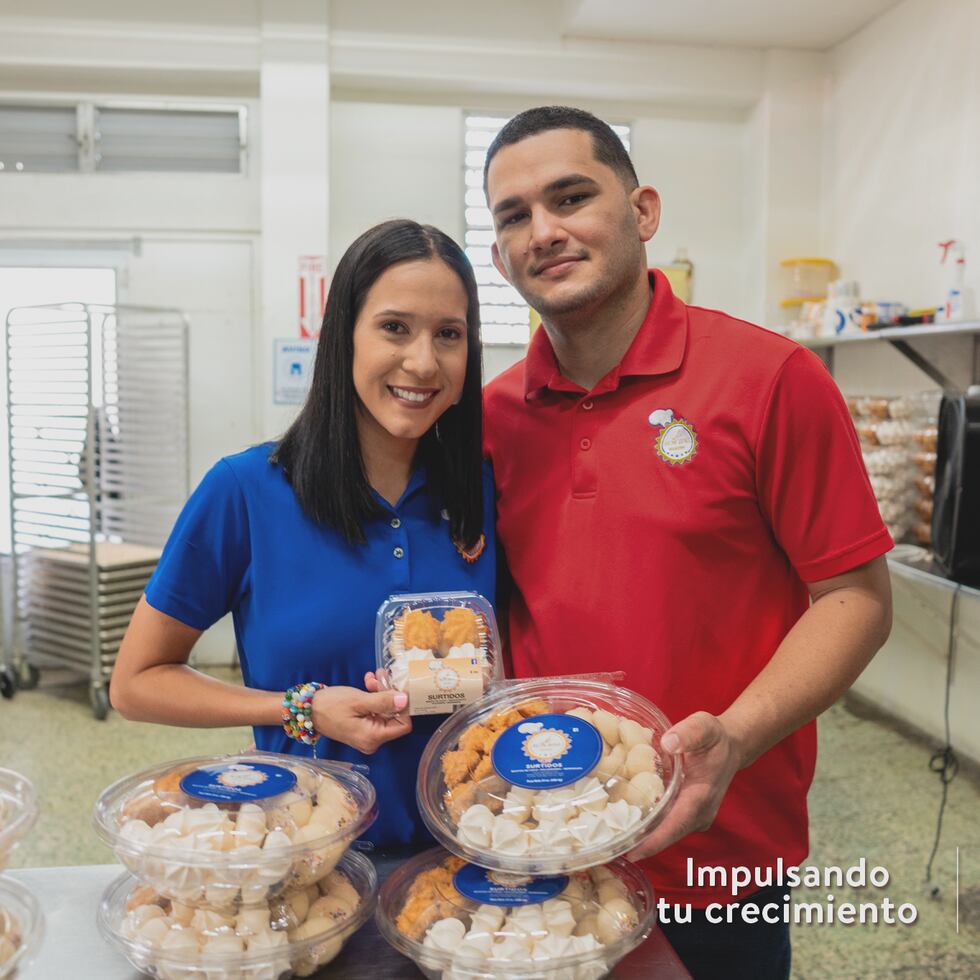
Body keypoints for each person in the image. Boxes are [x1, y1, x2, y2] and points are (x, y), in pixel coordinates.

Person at [481, 106, 893, 979]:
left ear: (643, 212)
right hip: (544, 840)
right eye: (514, 216)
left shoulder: (771, 380)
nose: (543, 231)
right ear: (498, 254)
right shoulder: (491, 418)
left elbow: (855, 598)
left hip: (720, 850)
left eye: (570, 197)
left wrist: (736, 738)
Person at [110, 219, 496, 847]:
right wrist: (299, 708)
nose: (423, 362)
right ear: (342, 334)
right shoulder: (245, 492)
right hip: (310, 856)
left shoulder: (483, 490)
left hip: (471, 853)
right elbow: (135, 684)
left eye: (448, 335)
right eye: (394, 327)